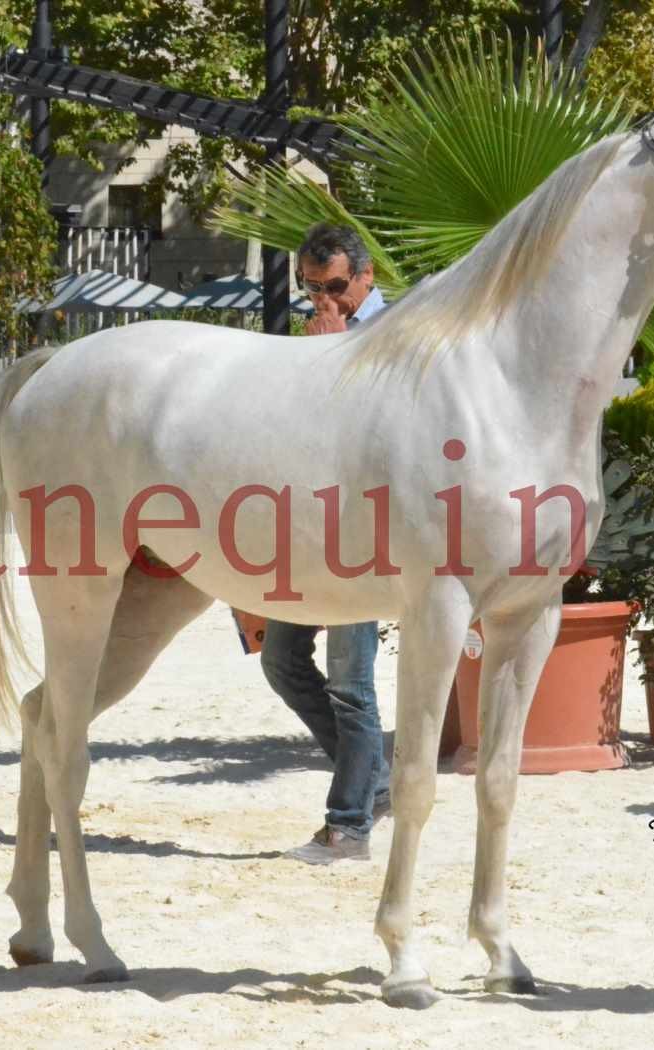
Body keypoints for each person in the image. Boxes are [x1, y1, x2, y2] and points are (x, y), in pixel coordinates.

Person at [269, 222, 391, 865]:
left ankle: (349, 827)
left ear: (366, 278)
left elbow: (375, 432)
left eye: (337, 288)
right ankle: (378, 784)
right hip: (312, 528)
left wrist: (333, 357)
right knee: (281, 661)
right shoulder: (320, 333)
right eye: (312, 288)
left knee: (352, 685)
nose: (325, 302)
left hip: (366, 532)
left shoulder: (392, 333)